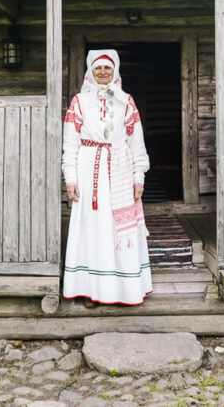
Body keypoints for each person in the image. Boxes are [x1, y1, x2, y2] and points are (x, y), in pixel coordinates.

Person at [61, 49, 152, 307]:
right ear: (90, 71)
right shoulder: (79, 101)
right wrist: (71, 177)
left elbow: (137, 141)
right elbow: (70, 143)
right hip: (89, 171)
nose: (103, 72)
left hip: (120, 170)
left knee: (116, 229)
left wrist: (138, 176)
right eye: (98, 68)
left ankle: (125, 288)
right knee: (93, 227)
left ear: (115, 71)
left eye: (107, 68)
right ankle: (93, 289)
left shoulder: (127, 101)